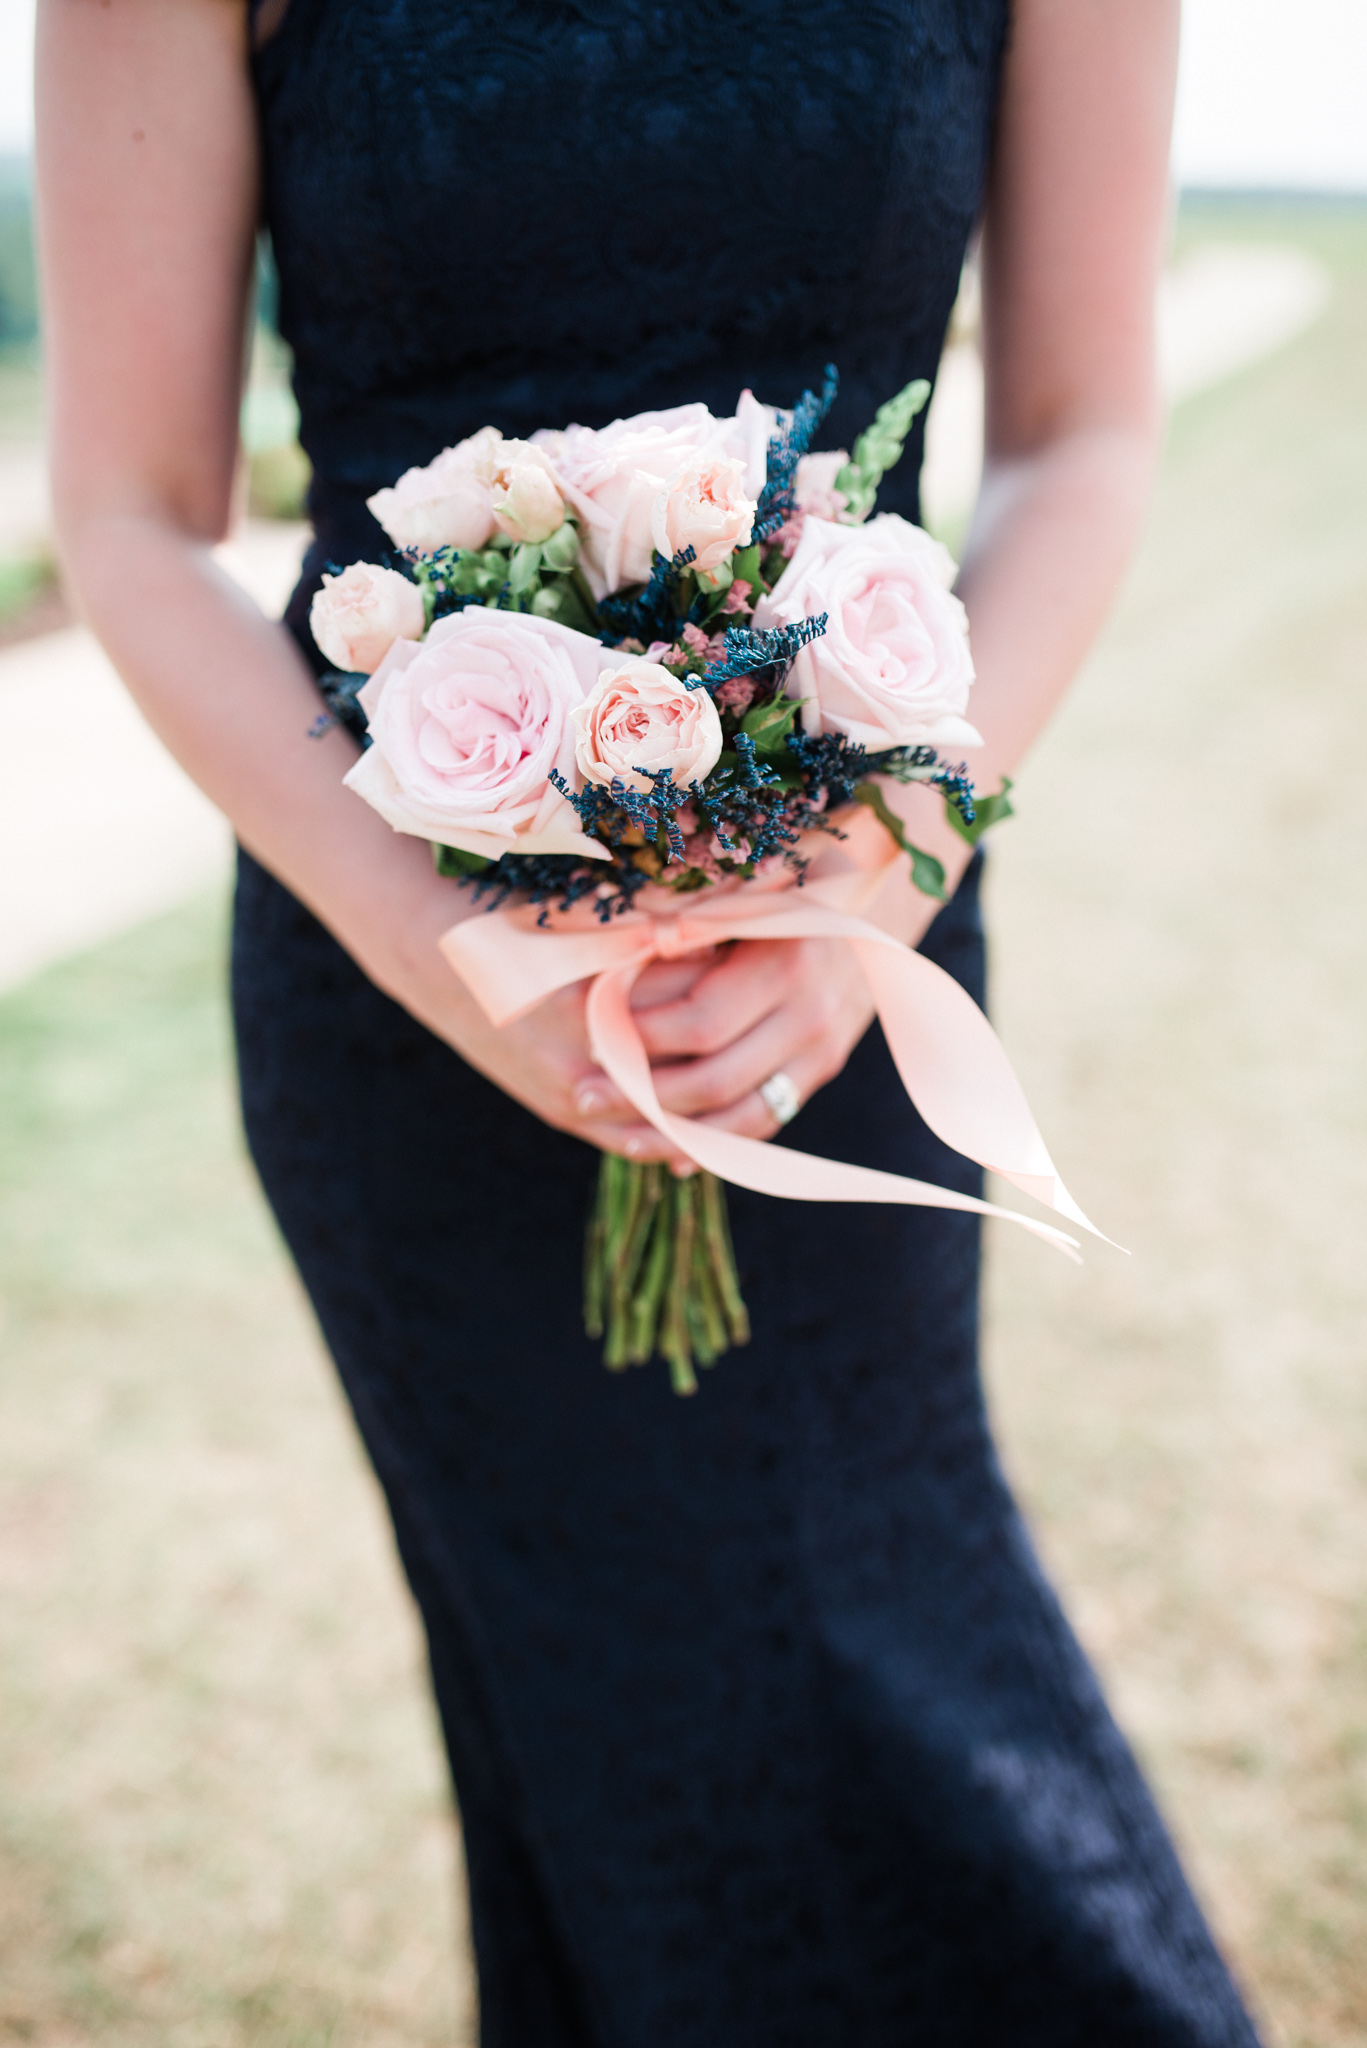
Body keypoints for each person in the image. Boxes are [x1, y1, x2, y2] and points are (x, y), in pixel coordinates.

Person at [36, 1, 1262, 2041]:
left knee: (884, 1662)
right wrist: (459, 946)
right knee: (605, 1754)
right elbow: (136, 512)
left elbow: (1080, 430)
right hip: (409, 1006)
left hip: (853, 964)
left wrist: (880, 866)